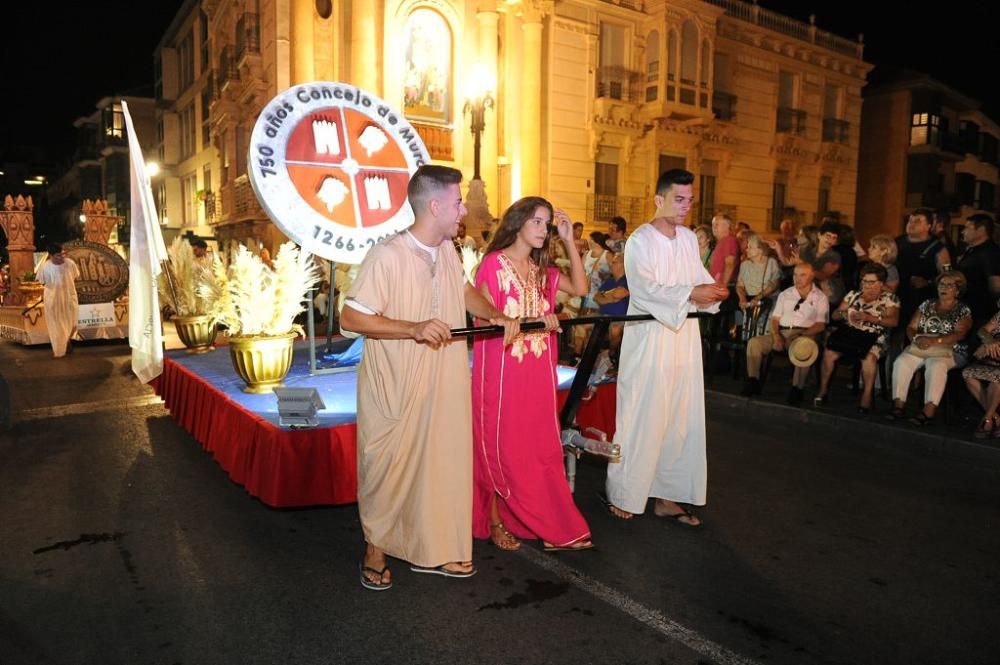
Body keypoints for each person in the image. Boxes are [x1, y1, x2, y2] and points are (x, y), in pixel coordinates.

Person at [339, 164, 518, 591]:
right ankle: (375, 549)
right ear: (435, 205)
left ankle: (432, 549)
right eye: (457, 203)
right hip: (396, 385)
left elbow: (461, 291)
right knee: (388, 467)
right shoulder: (387, 254)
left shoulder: (447, 251)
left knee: (441, 465)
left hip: (444, 378)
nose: (463, 211)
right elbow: (350, 315)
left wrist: (494, 313)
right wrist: (413, 327)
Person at [602, 168, 728, 525]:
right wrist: (691, 294)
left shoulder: (688, 239)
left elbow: (698, 280)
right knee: (643, 414)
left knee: (680, 417)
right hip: (650, 339)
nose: (686, 206)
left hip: (683, 339)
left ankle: (668, 496)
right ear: (659, 199)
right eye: (679, 199)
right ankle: (626, 492)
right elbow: (644, 290)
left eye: (689, 200)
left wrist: (714, 291)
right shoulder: (640, 241)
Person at [471, 197, 592, 553]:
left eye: (547, 224)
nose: (543, 229)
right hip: (503, 371)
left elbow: (582, 290)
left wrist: (569, 241)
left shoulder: (544, 273)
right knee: (499, 444)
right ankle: (495, 520)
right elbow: (484, 315)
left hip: (538, 374)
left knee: (538, 447)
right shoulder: (493, 264)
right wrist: (524, 322)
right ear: (519, 222)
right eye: (537, 222)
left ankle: (539, 516)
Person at [886, 270, 971, 426]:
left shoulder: (962, 310)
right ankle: (898, 405)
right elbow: (911, 327)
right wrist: (916, 339)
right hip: (922, 346)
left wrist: (935, 341)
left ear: (957, 290)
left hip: (950, 350)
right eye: (941, 284)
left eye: (949, 285)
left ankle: (928, 411)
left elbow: (960, 334)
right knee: (902, 362)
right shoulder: (927, 304)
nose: (943, 287)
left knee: (936, 365)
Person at [814, 263, 899, 413]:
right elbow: (834, 315)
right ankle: (823, 390)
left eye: (871, 282)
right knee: (829, 352)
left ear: (880, 283)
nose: (866, 285)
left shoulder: (890, 298)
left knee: (869, 356)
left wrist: (870, 318)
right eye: (864, 281)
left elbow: (893, 321)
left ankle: (866, 396)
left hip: (874, 335)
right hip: (851, 333)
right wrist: (844, 314)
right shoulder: (854, 294)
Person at [741, 262, 829, 405]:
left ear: (812, 276)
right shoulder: (786, 294)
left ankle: (797, 388)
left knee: (804, 347)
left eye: (802, 275)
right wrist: (776, 336)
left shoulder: (820, 297)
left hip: (804, 333)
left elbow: (820, 325)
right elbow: (775, 319)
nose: (798, 278)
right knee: (754, 343)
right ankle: (753, 381)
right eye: (795, 275)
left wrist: (801, 334)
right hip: (782, 331)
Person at [36, 243, 80, 358]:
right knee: (55, 324)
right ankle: (59, 350)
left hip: (69, 296)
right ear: (50, 256)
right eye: (58, 255)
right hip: (53, 299)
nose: (61, 257)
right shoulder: (45, 267)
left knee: (72, 321)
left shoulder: (70, 264)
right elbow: (43, 282)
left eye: (63, 254)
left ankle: (67, 340)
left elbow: (75, 277)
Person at [962, 308, 1000, 438]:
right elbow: (982, 331)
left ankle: (987, 420)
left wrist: (994, 345)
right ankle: (994, 416)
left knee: (997, 379)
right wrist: (989, 340)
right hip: (992, 361)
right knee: (968, 373)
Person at [594, 251, 629, 365]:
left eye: (614, 262)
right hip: (602, 316)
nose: (610, 264)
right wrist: (610, 296)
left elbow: (618, 294)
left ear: (623, 265)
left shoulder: (628, 280)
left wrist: (606, 296)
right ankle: (578, 357)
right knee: (581, 326)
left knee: (615, 330)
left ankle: (611, 354)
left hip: (621, 318)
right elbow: (596, 297)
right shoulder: (609, 280)